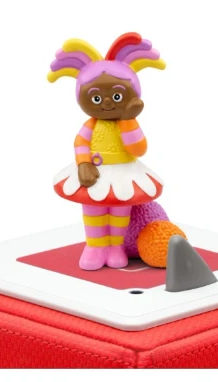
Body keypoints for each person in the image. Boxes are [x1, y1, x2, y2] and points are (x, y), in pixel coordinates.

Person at [48, 32, 165, 270]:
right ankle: (95, 246)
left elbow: (138, 148)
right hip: (95, 173)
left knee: (120, 210)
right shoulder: (91, 125)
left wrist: (129, 120)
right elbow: (80, 142)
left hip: (124, 172)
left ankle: (116, 247)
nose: (108, 102)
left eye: (117, 95)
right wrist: (83, 163)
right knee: (93, 208)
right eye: (96, 98)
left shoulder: (126, 122)